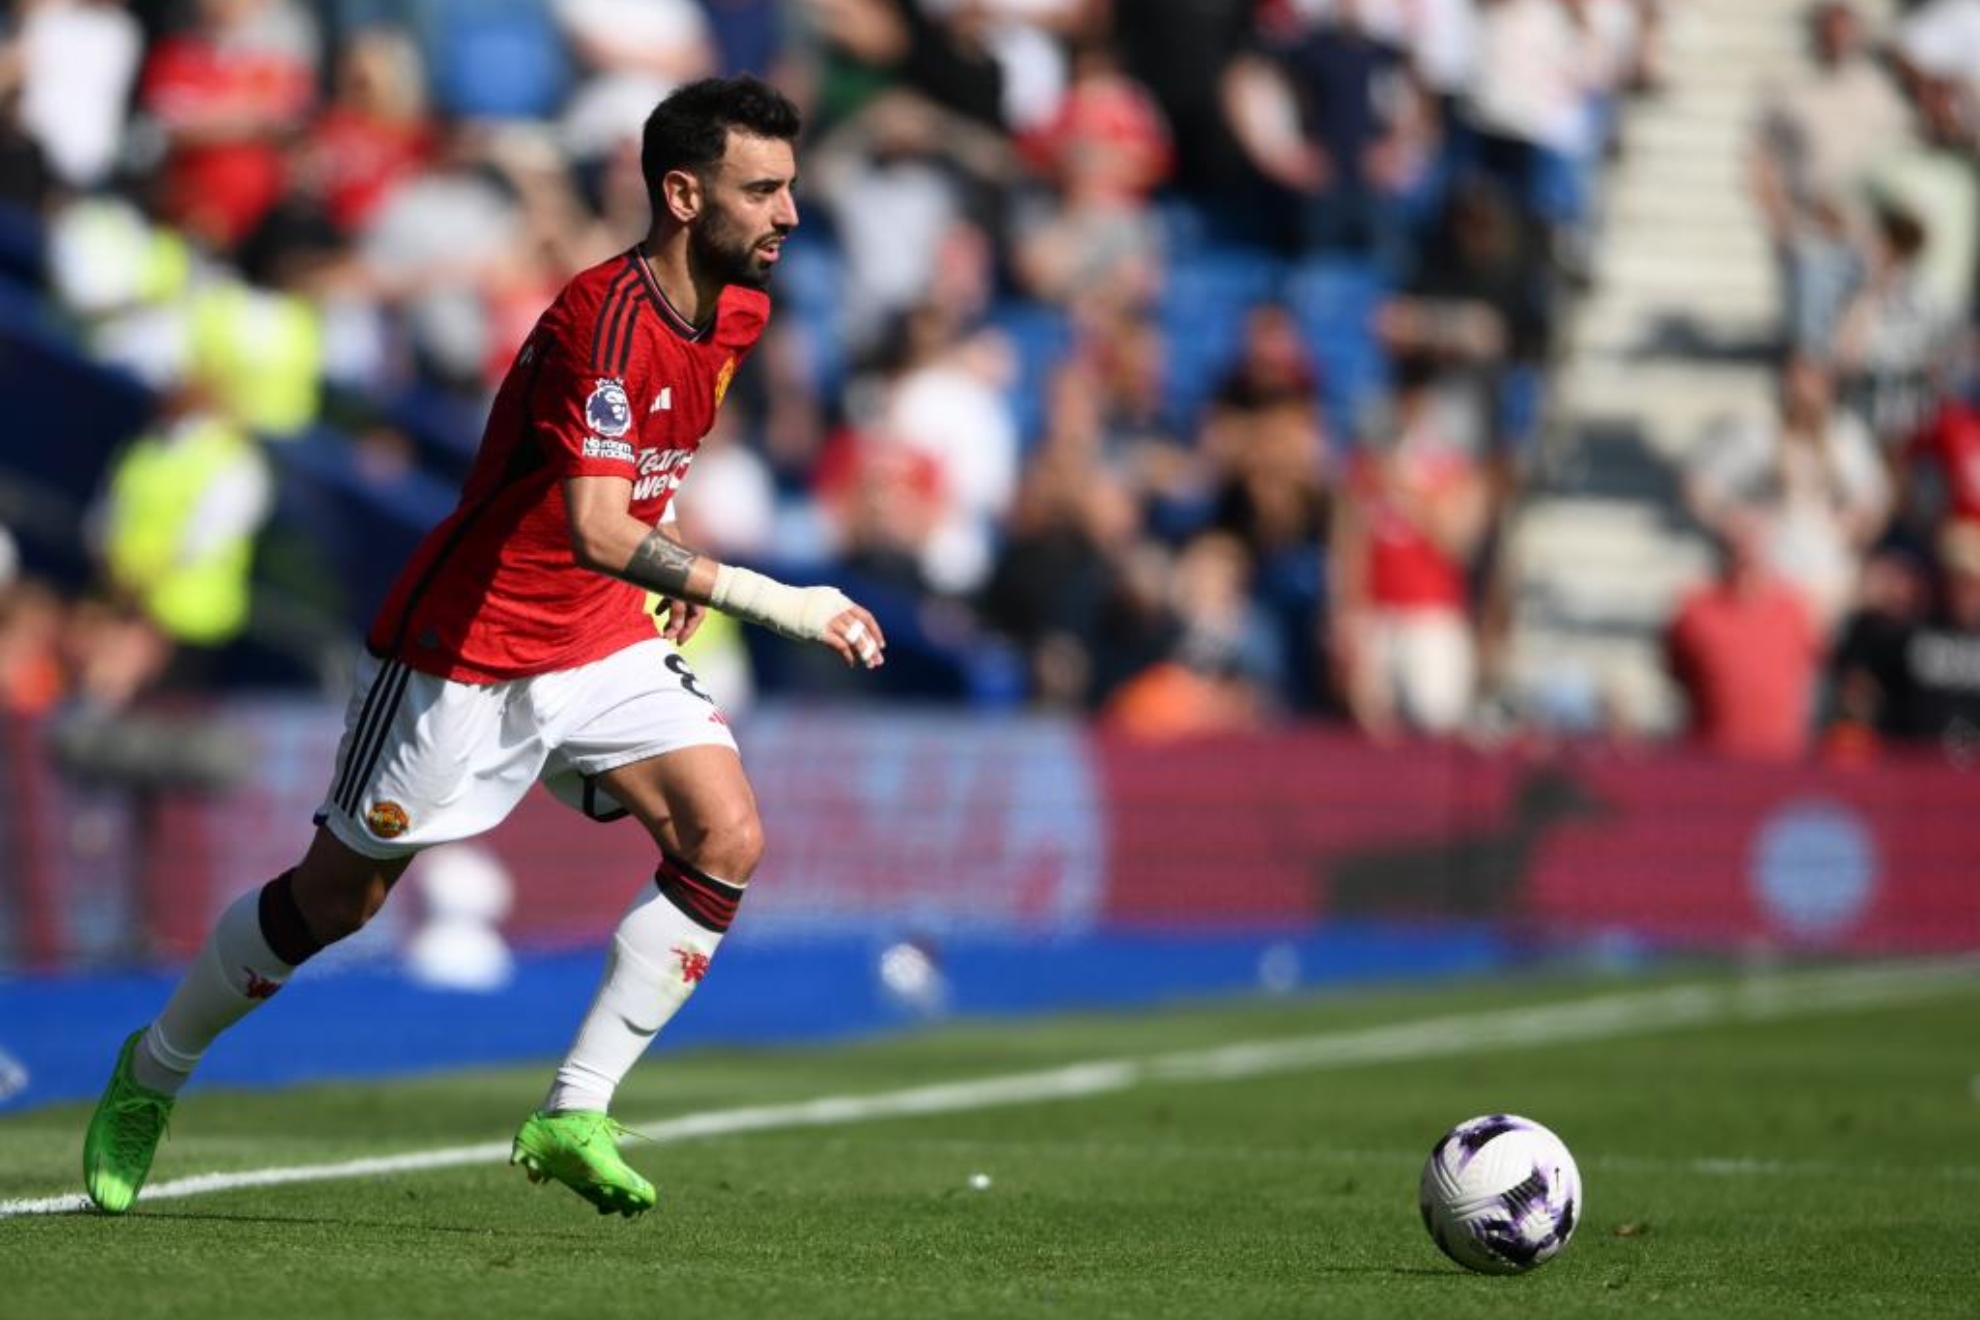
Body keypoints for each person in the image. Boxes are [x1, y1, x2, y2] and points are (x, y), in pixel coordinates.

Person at [80, 74, 887, 1220]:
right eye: (763, 190)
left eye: (790, 187)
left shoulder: (741, 309)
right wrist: (769, 596)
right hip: (468, 644)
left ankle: (575, 1107)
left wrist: (672, 564)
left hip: (599, 634)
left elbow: (640, 492)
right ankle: (151, 1069)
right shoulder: (599, 322)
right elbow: (595, 524)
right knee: (338, 900)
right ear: (681, 193)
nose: (789, 214)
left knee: (726, 833)